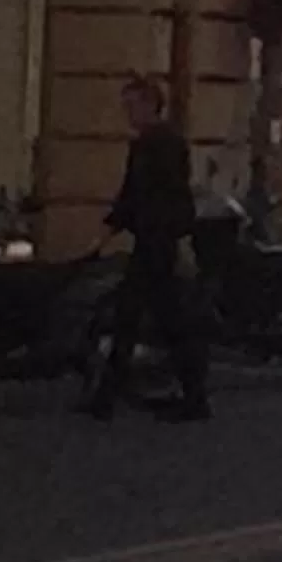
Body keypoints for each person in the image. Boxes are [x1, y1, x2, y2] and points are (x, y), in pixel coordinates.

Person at [85, 75, 209, 423]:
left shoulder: (164, 144)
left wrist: (123, 228)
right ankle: (108, 395)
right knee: (141, 317)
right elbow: (131, 195)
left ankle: (188, 396)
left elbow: (162, 197)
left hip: (157, 243)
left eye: (130, 105)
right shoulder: (147, 144)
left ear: (148, 105)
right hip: (153, 241)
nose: (126, 113)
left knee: (149, 318)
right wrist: (109, 229)